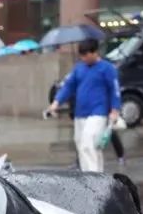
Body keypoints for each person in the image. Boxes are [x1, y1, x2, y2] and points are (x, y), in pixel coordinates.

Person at [46, 38, 120, 172]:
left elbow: (114, 90)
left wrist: (115, 109)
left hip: (98, 113)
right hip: (80, 114)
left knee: (88, 144)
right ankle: (95, 176)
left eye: (86, 55)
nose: (84, 58)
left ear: (95, 52)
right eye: (82, 55)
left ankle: (93, 178)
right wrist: (56, 102)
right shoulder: (79, 69)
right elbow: (68, 86)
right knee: (82, 145)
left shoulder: (107, 69)